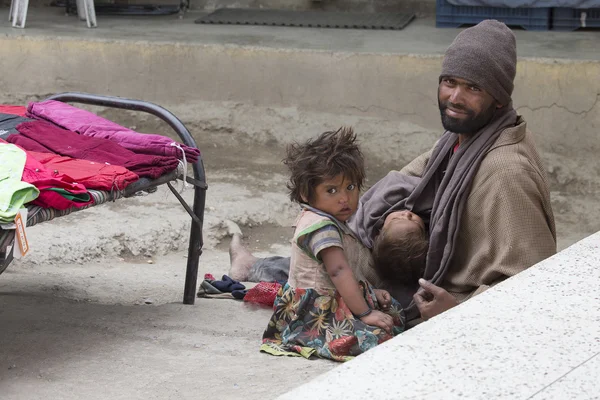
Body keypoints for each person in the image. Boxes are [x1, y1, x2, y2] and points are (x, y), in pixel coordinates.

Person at [231, 19, 557, 324]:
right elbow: (407, 181)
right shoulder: (465, 137)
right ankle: (256, 265)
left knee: (337, 275)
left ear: (498, 99)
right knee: (333, 241)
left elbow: (532, 282)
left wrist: (457, 310)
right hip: (428, 267)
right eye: (449, 82)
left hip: (451, 297)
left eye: (473, 88)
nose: (455, 98)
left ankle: (256, 267)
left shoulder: (505, 171)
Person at [260, 127, 405, 362]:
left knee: (394, 312)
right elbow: (338, 271)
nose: (344, 198)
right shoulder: (322, 227)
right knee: (377, 337)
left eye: (350, 187)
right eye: (332, 190)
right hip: (316, 314)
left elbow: (348, 270)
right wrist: (366, 312)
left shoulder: (327, 218)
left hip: (334, 297)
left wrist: (369, 291)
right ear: (306, 194)